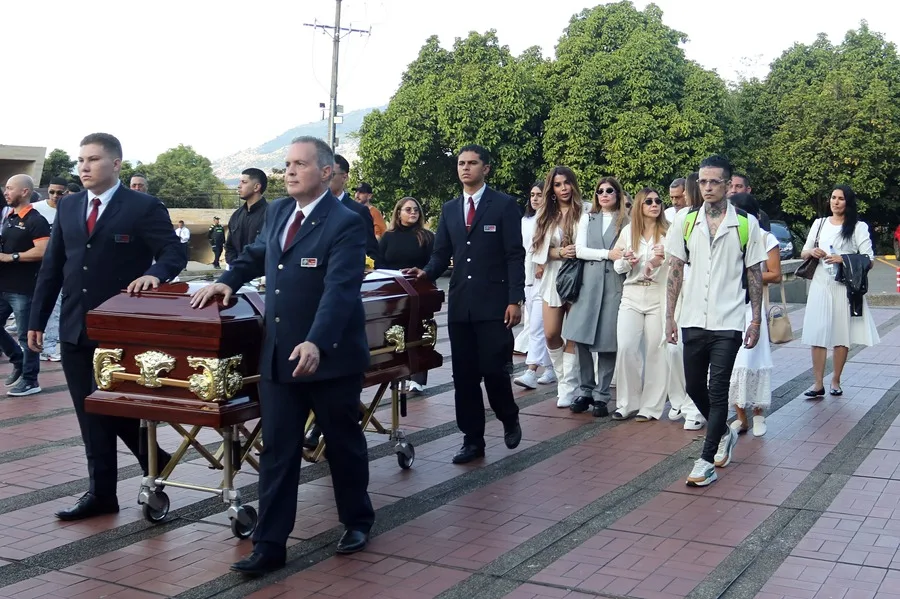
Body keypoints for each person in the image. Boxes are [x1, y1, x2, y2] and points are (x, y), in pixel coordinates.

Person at [191, 136, 374, 574]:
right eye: (287, 165)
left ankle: (357, 519)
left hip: (328, 357)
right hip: (279, 356)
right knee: (277, 450)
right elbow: (257, 255)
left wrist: (317, 340)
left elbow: (341, 289)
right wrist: (229, 280)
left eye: (300, 165)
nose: (289, 172)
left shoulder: (347, 221)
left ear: (326, 172)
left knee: (343, 443)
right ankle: (270, 544)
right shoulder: (277, 213)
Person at [27, 133, 185, 520]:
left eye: (93, 160)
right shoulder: (69, 207)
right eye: (81, 160)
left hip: (122, 329)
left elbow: (174, 251)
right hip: (75, 326)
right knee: (89, 410)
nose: (83, 167)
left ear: (115, 164)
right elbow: (53, 268)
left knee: (117, 407)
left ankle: (148, 461)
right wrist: (36, 319)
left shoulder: (143, 207)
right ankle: (103, 493)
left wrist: (155, 274)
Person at [404, 144, 524, 465]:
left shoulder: (504, 205)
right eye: (461, 163)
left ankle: (508, 416)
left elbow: (515, 254)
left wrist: (515, 299)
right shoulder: (449, 209)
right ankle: (472, 440)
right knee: (465, 376)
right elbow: (441, 253)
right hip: (461, 306)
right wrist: (425, 273)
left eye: (472, 163)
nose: (465, 168)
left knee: (495, 371)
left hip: (496, 304)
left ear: (486, 168)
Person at [665, 155, 766, 487]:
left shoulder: (747, 224)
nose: (707, 187)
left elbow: (754, 275)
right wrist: (670, 316)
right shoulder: (685, 221)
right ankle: (723, 431)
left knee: (717, 388)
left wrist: (754, 321)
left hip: (729, 319)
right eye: (703, 181)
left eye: (714, 182)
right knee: (693, 386)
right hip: (693, 316)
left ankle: (706, 459)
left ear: (727, 185)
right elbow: (675, 271)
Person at [800, 185, 879, 397]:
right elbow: (803, 251)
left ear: (848, 202)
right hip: (820, 282)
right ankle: (818, 383)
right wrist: (812, 252)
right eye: (833, 197)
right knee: (817, 333)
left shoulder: (858, 227)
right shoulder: (819, 224)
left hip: (844, 285)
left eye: (841, 199)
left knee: (841, 334)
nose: (835, 202)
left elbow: (869, 260)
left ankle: (835, 380)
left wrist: (842, 258)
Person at [565, 176, 628, 418]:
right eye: (600, 190)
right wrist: (607, 254)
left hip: (614, 283)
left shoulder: (627, 221)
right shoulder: (587, 218)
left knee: (608, 341)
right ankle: (585, 390)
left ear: (618, 194)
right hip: (588, 283)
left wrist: (616, 257)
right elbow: (579, 250)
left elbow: (626, 252)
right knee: (580, 337)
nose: (604, 194)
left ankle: (602, 395)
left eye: (609, 190)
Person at [613, 188, 669, 421]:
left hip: (658, 294)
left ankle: (651, 407)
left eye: (658, 201)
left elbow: (679, 262)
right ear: (639, 206)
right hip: (632, 293)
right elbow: (618, 268)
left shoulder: (668, 232)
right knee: (626, 347)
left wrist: (661, 257)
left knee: (657, 349)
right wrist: (627, 261)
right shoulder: (628, 232)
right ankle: (626, 403)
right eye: (649, 201)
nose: (655, 205)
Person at [728, 193, 781, 436]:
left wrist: (748, 278)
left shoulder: (765, 238)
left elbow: (776, 273)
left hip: (753, 306)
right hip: (729, 305)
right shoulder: (727, 236)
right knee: (733, 362)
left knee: (754, 360)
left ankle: (759, 413)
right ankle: (740, 416)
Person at [529, 167, 582, 408]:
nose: (564, 188)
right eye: (558, 184)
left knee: (571, 334)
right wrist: (559, 251)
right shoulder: (544, 215)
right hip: (553, 277)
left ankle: (569, 386)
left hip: (580, 277)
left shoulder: (586, 210)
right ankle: (564, 379)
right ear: (552, 188)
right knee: (551, 333)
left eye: (567, 183)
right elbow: (536, 251)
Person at [377, 197, 435, 393]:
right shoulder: (388, 236)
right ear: (398, 212)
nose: (413, 213)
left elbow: (434, 263)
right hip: (395, 292)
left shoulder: (426, 236)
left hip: (420, 290)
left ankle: (418, 377)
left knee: (420, 332)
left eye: (416, 210)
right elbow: (380, 263)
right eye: (408, 209)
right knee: (395, 332)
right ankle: (397, 371)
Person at [1, 174, 51, 396]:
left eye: (10, 188)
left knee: (26, 335)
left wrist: (11, 257)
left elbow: (43, 251)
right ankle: (17, 359)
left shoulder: (35, 220)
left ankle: (31, 380)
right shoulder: (9, 216)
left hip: (24, 288)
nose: (6, 192)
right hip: (3, 285)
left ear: (24, 191)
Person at [666, 172, 705, 430]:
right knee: (675, 348)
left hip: (709, 292)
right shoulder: (682, 218)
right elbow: (675, 263)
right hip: (684, 291)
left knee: (701, 350)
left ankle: (696, 406)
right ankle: (680, 399)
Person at [513, 182, 554, 390]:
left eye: (539, 195)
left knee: (537, 326)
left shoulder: (551, 220)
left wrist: (542, 262)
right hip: (527, 277)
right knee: (539, 326)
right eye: (532, 195)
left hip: (544, 277)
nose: (535, 198)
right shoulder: (525, 220)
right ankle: (551, 367)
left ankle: (530, 370)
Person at [31, 177, 67, 362]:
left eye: (59, 192)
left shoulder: (69, 209)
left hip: (58, 268)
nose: (55, 196)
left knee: (55, 308)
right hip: (34, 265)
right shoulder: (37, 209)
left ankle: (50, 346)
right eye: (52, 192)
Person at [330, 156, 378, 261]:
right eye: (322, 172)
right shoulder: (310, 208)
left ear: (345, 177)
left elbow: (371, 251)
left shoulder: (358, 211)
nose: (325, 177)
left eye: (332, 174)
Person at [225, 168, 269, 267]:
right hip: (237, 274)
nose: (239, 186)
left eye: (244, 182)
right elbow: (229, 246)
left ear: (256, 187)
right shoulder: (236, 215)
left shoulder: (271, 214)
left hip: (261, 276)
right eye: (239, 182)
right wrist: (236, 266)